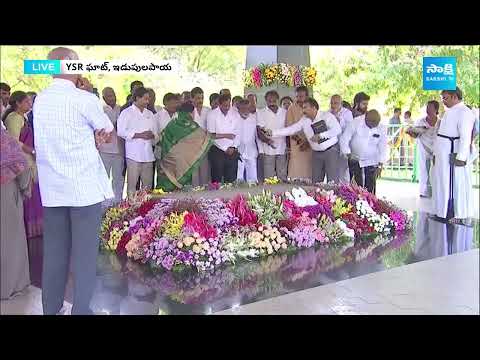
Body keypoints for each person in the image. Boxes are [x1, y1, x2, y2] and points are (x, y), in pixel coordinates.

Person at [34, 47, 115, 315]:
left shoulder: (40, 100)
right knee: (84, 256)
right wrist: (100, 135)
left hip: (53, 190)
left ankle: (51, 308)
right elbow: (108, 130)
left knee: (55, 254)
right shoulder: (85, 99)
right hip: (82, 191)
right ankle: (81, 310)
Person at [270, 97, 341, 184]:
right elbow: (292, 129)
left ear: (314, 108)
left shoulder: (326, 116)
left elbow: (337, 130)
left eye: (305, 107)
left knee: (332, 181)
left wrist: (321, 135)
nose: (303, 110)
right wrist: (272, 133)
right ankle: (319, 197)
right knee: (316, 181)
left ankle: (333, 197)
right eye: (303, 107)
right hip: (316, 153)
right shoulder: (304, 120)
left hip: (331, 151)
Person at [2, 91, 43, 240]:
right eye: (26, 102)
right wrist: (31, 150)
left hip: (29, 160)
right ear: (18, 103)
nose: (29, 104)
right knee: (28, 195)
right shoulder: (14, 118)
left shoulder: (21, 117)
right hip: (23, 161)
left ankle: (33, 231)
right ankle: (25, 231)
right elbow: (13, 142)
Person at [431, 87, 475, 224]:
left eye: (446, 98)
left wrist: (461, 157)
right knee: (441, 182)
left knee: (455, 184)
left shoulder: (465, 112)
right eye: (442, 98)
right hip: (443, 153)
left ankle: (455, 213)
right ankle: (441, 211)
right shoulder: (449, 112)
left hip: (453, 153)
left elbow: (465, 136)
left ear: (455, 97)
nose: (443, 101)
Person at [1, 128, 32, 299]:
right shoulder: (4, 139)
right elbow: (21, 166)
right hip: (5, 195)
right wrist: (25, 187)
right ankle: (9, 286)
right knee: (9, 242)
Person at [156, 102, 213, 191]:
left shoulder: (171, 124)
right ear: (190, 113)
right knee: (185, 189)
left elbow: (164, 140)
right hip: (187, 164)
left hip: (171, 161)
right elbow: (205, 139)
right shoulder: (193, 126)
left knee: (170, 190)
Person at [117, 87, 158, 197]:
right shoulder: (126, 112)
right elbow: (121, 131)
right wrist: (139, 135)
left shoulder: (150, 113)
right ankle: (131, 210)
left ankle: (147, 210)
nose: (147, 102)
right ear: (137, 98)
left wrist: (152, 135)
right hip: (133, 154)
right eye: (145, 99)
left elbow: (155, 132)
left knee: (148, 187)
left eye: (148, 99)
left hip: (148, 155)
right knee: (132, 186)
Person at [340, 109, 388, 194]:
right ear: (365, 118)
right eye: (371, 124)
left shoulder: (381, 127)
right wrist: (347, 153)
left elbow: (383, 146)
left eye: (375, 125)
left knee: (370, 187)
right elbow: (345, 138)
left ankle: (370, 205)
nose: (373, 127)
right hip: (355, 159)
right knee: (356, 187)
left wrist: (381, 164)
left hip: (372, 160)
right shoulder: (356, 122)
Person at [406, 100, 439, 198]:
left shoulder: (440, 122)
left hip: (437, 149)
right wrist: (411, 132)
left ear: (436, 109)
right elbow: (415, 134)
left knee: (436, 170)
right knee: (424, 170)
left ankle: (436, 191)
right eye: (427, 107)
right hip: (424, 148)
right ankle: (424, 191)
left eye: (430, 107)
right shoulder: (420, 121)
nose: (428, 110)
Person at [207, 94, 241, 183]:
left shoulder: (235, 113)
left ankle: (231, 196)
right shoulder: (212, 115)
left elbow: (238, 133)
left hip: (232, 150)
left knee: (231, 179)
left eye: (228, 105)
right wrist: (225, 147)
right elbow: (211, 135)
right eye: (224, 105)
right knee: (216, 179)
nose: (227, 108)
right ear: (219, 104)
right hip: (217, 149)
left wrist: (233, 147)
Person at [99, 87, 124, 204]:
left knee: (118, 178)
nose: (112, 98)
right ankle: (103, 204)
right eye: (109, 96)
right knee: (104, 178)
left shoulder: (121, 109)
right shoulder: (101, 110)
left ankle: (117, 203)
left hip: (119, 150)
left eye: (113, 95)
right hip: (105, 150)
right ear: (104, 98)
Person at [256, 90, 288, 182]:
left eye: (274, 101)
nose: (272, 103)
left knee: (282, 177)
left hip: (282, 148)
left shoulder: (284, 112)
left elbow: (289, 129)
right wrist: (268, 141)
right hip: (268, 149)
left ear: (278, 100)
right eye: (269, 101)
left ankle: (283, 195)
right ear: (266, 100)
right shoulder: (261, 113)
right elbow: (259, 131)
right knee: (269, 178)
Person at [286, 86, 312, 180]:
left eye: (301, 96)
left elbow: (316, 124)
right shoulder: (291, 108)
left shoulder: (312, 107)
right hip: (296, 143)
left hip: (310, 142)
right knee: (296, 166)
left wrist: (308, 142)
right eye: (297, 96)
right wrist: (300, 141)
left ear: (307, 96)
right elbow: (289, 127)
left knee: (309, 167)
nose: (299, 99)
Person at [154, 93, 179, 186]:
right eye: (172, 103)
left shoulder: (179, 116)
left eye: (176, 103)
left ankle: (176, 198)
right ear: (165, 103)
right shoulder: (157, 116)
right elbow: (154, 134)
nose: (174, 105)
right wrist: (163, 134)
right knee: (162, 175)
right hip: (162, 150)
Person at [330, 94, 354, 182]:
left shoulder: (347, 113)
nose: (333, 105)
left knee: (343, 170)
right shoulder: (328, 113)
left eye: (335, 103)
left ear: (341, 103)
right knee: (333, 169)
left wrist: (339, 120)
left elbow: (349, 129)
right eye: (331, 103)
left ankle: (344, 190)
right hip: (331, 145)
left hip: (343, 145)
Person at [191, 87, 211, 186]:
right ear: (192, 99)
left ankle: (205, 198)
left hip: (204, 147)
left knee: (205, 174)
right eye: (198, 98)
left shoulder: (208, 111)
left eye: (202, 98)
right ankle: (194, 198)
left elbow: (211, 129)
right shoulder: (188, 112)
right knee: (194, 176)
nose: (200, 100)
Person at [236, 99, 258, 182]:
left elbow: (257, 135)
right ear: (238, 109)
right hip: (238, 151)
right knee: (238, 178)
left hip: (251, 150)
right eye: (242, 108)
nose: (245, 110)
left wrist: (261, 150)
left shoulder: (254, 118)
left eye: (247, 108)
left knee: (253, 178)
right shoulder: (235, 119)